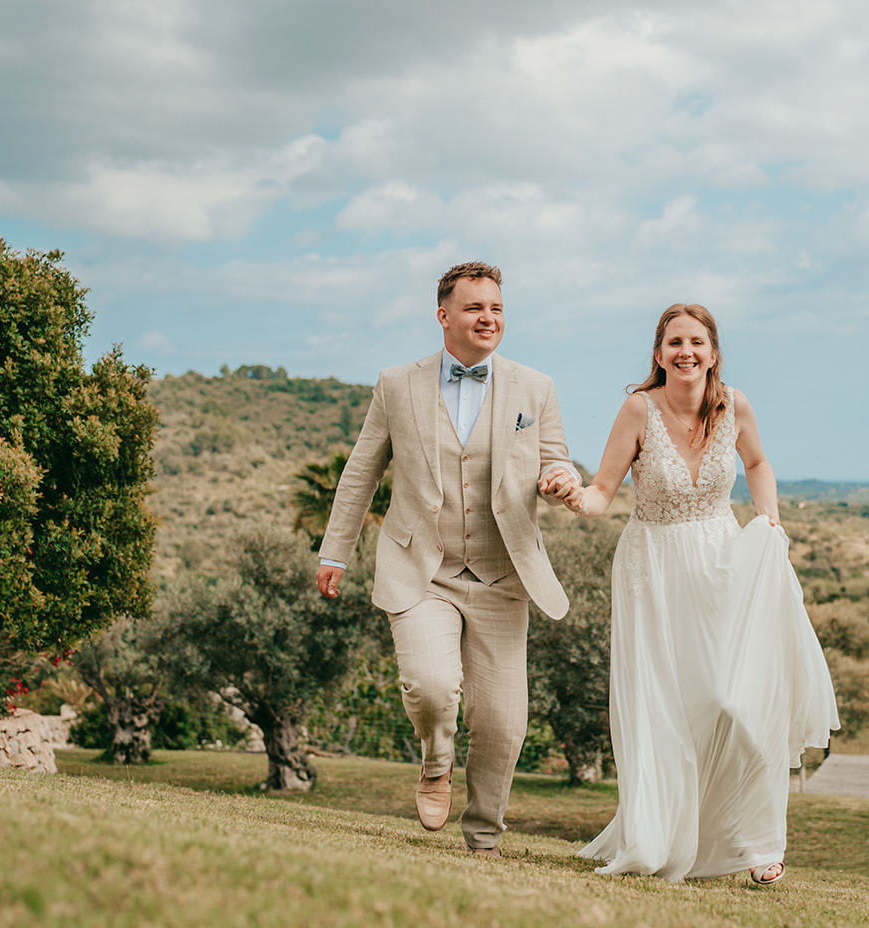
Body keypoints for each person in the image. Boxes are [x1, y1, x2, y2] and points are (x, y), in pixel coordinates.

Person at [551, 303, 839, 884]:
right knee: (662, 710)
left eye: (697, 342)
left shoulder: (736, 404)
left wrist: (770, 522)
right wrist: (573, 496)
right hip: (651, 569)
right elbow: (604, 489)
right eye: (674, 342)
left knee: (738, 702)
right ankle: (657, 839)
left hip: (720, 564)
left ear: (713, 354)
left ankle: (756, 844)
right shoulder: (638, 409)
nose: (686, 352)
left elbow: (756, 461)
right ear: (658, 355)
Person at [316, 261, 575, 857]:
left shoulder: (535, 388)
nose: (489, 319)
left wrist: (560, 478)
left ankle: (484, 834)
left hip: (504, 573)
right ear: (444, 316)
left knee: (503, 723)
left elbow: (556, 458)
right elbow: (361, 473)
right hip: (422, 569)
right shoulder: (396, 384)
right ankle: (436, 762)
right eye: (475, 308)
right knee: (432, 688)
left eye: (497, 309)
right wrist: (337, 550)